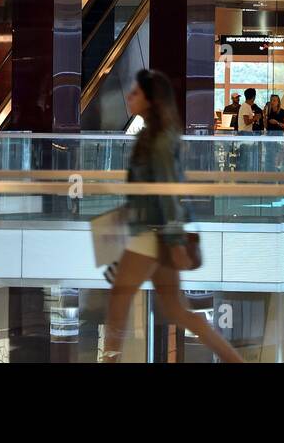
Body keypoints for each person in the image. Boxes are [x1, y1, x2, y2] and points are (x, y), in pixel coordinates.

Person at [102, 69, 242, 363]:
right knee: (176, 310)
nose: (129, 97)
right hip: (152, 233)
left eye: (136, 92)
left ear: (151, 100)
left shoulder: (160, 141)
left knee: (119, 299)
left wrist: (177, 242)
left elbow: (169, 193)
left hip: (153, 234)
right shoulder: (150, 136)